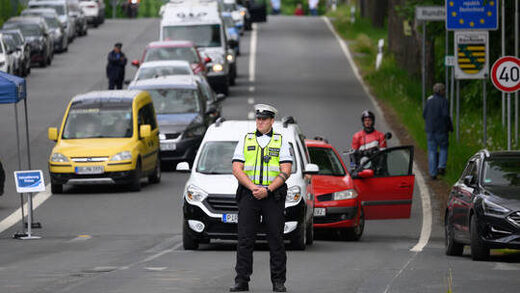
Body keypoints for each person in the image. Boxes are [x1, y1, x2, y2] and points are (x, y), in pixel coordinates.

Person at [230, 104, 293, 292]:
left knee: (276, 240)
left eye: (264, 119)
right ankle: (241, 281)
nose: (260, 122)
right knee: (244, 240)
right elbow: (236, 168)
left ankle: (278, 282)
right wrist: (253, 187)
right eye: (258, 119)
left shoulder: (281, 141)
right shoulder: (246, 140)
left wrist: (268, 190)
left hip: (273, 196)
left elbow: (286, 171)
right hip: (249, 195)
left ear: (272, 121)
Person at [423, 83, 451, 180]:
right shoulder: (444, 101)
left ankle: (432, 173)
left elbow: (424, 114)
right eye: (444, 90)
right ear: (441, 91)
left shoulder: (429, 100)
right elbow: (445, 115)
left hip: (430, 130)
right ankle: (441, 166)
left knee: (431, 151)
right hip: (441, 130)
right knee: (443, 148)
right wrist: (449, 126)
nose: (445, 92)